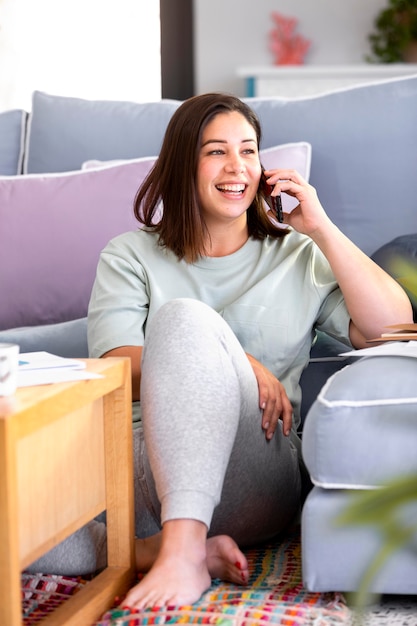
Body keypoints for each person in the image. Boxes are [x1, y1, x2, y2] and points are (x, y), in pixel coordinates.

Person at [32, 93, 412, 608]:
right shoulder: (130, 255)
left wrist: (320, 227)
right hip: (141, 470)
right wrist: (242, 363)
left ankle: (183, 551)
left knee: (183, 317)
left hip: (256, 467)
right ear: (183, 164)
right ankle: (145, 550)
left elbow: (394, 327)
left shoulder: (297, 255)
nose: (237, 167)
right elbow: (118, 366)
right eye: (216, 152)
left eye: (249, 151)